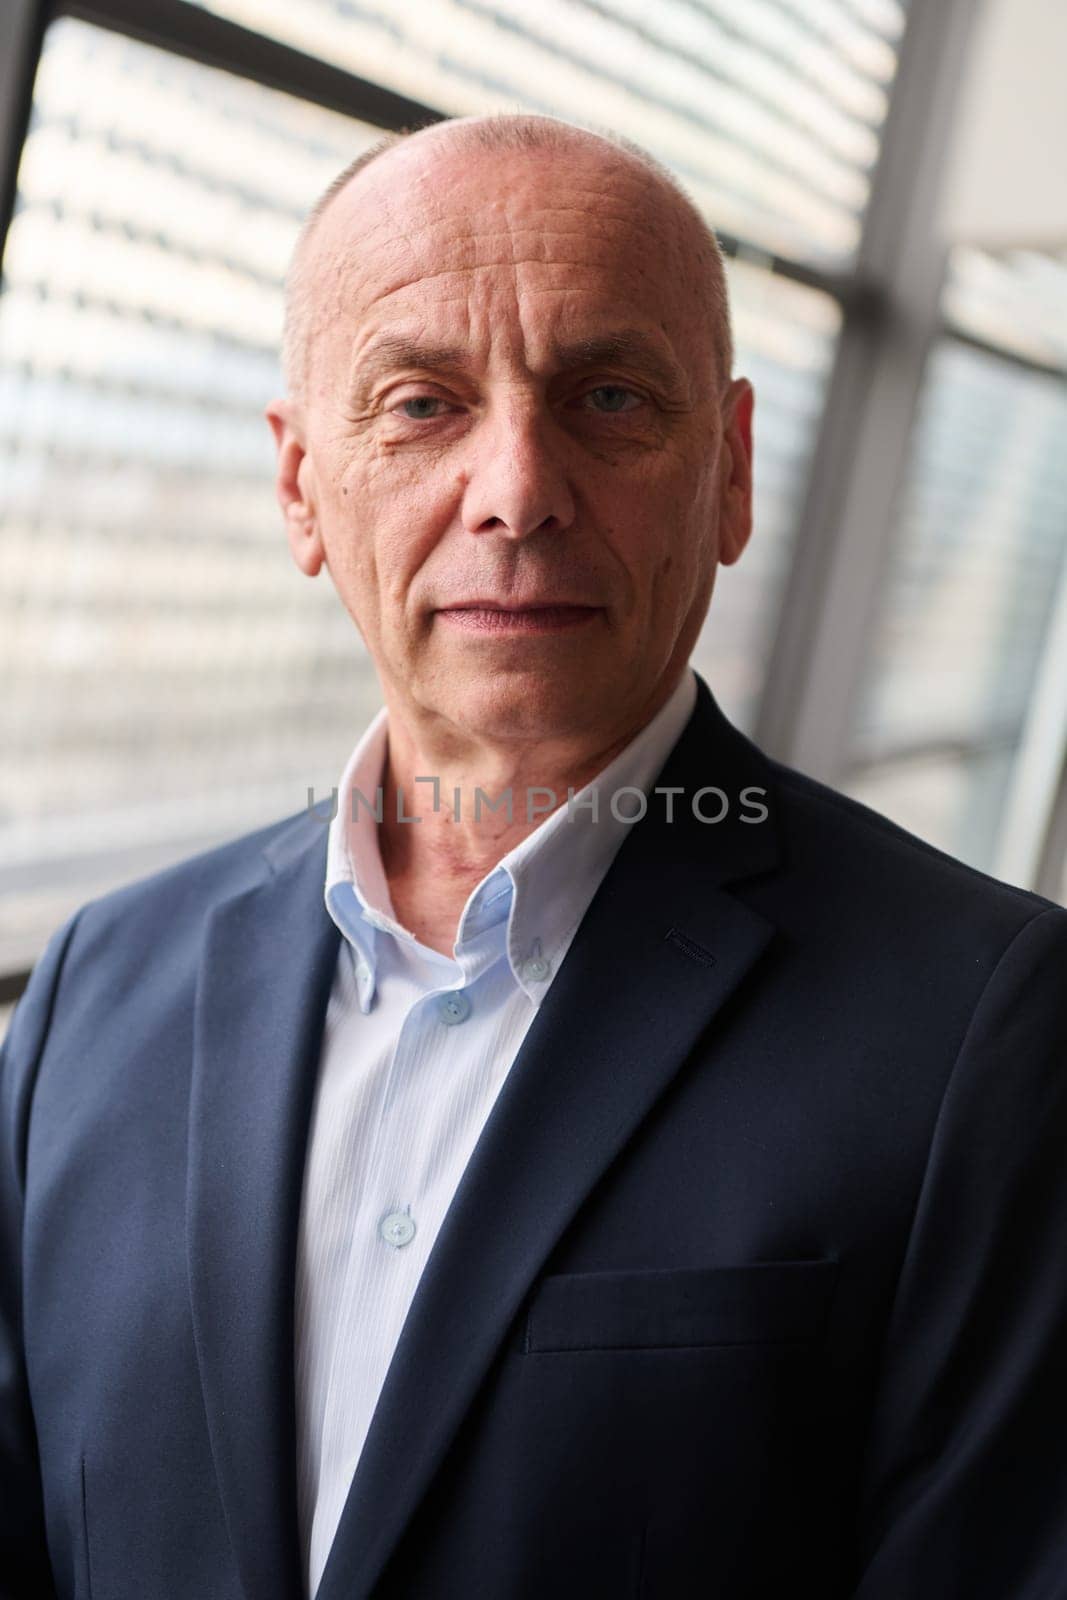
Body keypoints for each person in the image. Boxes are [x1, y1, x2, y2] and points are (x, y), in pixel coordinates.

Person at [2, 112, 1066, 1600]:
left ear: (736, 472)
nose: (517, 489)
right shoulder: (91, 994)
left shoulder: (988, 1028)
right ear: (303, 486)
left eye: (611, 396)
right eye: (424, 403)